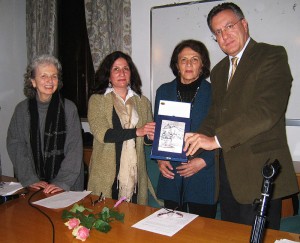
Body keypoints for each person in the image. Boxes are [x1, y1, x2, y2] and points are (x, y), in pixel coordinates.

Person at [184, 2, 299, 229]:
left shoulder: (271, 55)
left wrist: (215, 140)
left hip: (259, 172)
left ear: (244, 24)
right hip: (227, 175)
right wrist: (192, 139)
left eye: (229, 26)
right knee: (232, 235)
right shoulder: (218, 71)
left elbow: (267, 112)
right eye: (218, 32)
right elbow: (215, 115)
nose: (224, 36)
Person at [154, 40, 217, 218]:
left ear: (202, 64)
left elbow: (223, 134)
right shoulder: (163, 91)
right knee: (171, 230)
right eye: (183, 60)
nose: (188, 64)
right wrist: (159, 159)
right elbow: (158, 130)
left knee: (202, 233)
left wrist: (204, 161)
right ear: (176, 64)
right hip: (171, 174)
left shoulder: (216, 93)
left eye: (194, 59)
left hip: (203, 173)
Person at [7, 54, 84, 193]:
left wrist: (62, 182)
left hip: (67, 185)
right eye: (43, 76)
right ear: (33, 81)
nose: (50, 80)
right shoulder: (22, 110)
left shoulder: (69, 108)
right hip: (34, 184)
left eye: (54, 76)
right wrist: (30, 178)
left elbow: (74, 149)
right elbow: (16, 145)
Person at [87, 51, 155, 205]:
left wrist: (151, 136)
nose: (122, 73)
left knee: (133, 223)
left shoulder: (143, 102)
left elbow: (146, 139)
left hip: (135, 176)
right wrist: (137, 131)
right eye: (116, 69)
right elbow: (102, 134)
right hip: (106, 175)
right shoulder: (97, 100)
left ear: (131, 73)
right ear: (108, 75)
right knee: (104, 221)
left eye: (126, 68)